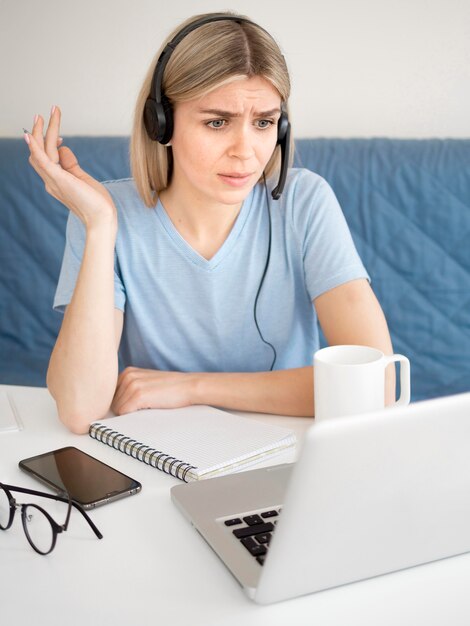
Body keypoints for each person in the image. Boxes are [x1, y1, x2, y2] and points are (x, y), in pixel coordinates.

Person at [24, 12, 394, 434]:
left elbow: (376, 385)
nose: (246, 151)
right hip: (161, 449)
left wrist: (193, 387)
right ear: (161, 123)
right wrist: (100, 224)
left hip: (286, 449)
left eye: (264, 122)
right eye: (217, 122)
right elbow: (78, 409)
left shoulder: (304, 202)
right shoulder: (106, 213)